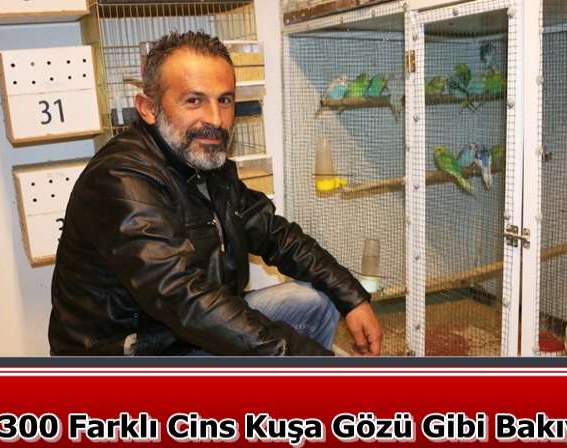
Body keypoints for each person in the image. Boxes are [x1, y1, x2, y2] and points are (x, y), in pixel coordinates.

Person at [49, 31, 382, 356]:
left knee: (316, 301)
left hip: (184, 332)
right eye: (194, 100)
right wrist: (308, 359)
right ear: (148, 108)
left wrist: (352, 297)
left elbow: (276, 235)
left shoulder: (203, 163)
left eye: (224, 100)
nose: (216, 119)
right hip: (135, 353)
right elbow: (185, 299)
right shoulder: (120, 180)